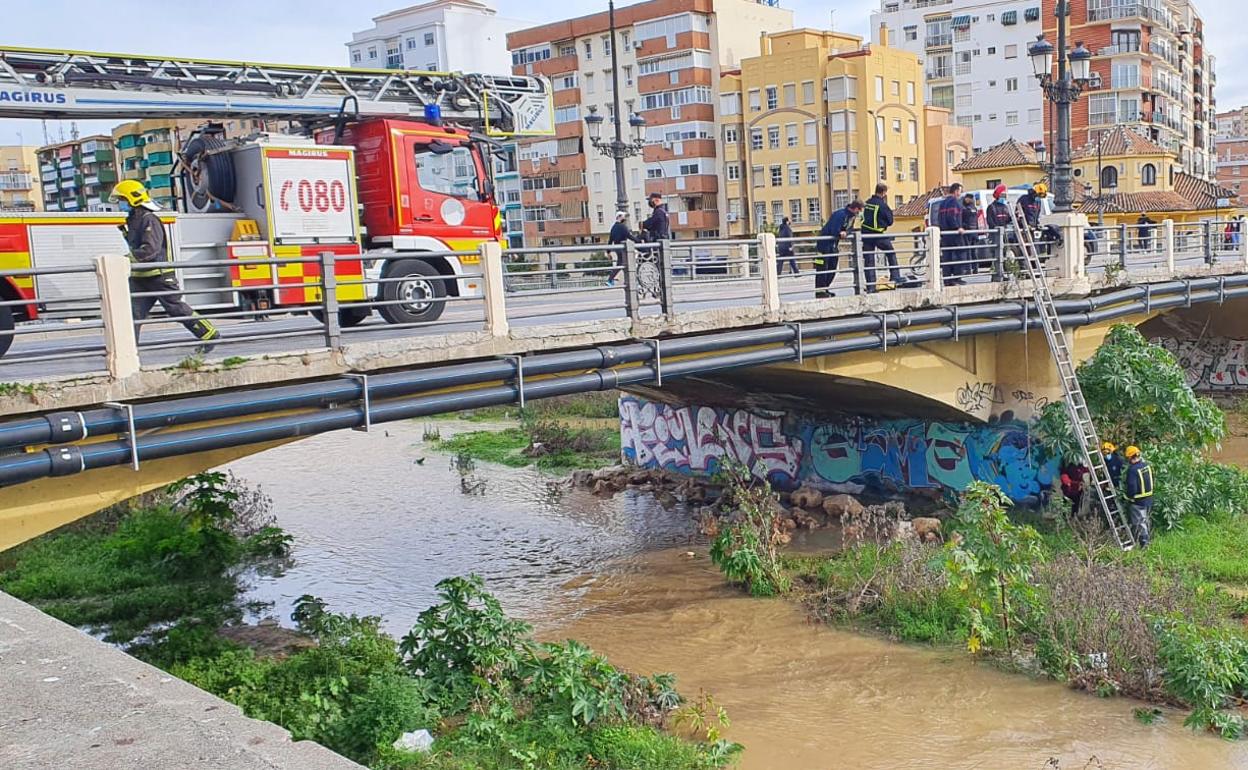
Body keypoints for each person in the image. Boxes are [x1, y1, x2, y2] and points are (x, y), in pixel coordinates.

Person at [113, 179, 219, 352]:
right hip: (140, 277)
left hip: (159, 276)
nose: (120, 204)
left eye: (122, 200)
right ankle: (128, 351)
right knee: (133, 314)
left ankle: (209, 334)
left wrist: (126, 258)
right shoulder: (133, 220)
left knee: (175, 308)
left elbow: (150, 249)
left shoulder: (149, 220)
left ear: (133, 199)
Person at [815, 199, 864, 298]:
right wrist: (839, 233)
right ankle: (820, 291)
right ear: (855, 208)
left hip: (833, 245)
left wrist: (846, 233)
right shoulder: (840, 214)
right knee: (822, 268)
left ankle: (825, 288)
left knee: (832, 267)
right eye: (859, 210)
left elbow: (850, 229)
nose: (859, 213)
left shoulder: (851, 217)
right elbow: (834, 229)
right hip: (823, 245)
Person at [861, 183, 901, 292]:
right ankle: (895, 277)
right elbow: (890, 220)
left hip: (866, 235)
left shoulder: (868, 203)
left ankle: (871, 286)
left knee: (869, 260)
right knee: (890, 252)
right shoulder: (882, 205)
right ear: (883, 192)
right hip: (878, 234)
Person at [1122, 445, 1154, 548]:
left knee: (1139, 522)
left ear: (1130, 457)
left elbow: (1132, 486)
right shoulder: (1146, 465)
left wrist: (1129, 497)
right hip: (1149, 498)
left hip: (1138, 500)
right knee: (1145, 520)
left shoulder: (1132, 470)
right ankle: (1147, 539)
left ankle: (1144, 543)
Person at [937, 183, 966, 285]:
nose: (960, 194)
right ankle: (957, 277)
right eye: (960, 191)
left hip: (945, 234)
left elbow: (940, 218)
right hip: (954, 233)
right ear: (956, 191)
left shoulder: (942, 203)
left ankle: (947, 279)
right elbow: (952, 216)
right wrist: (958, 228)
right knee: (960, 254)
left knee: (947, 257)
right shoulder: (954, 202)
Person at [606, 211, 637, 286]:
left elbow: (610, 240)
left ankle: (611, 280)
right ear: (619, 217)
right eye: (624, 217)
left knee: (621, 264)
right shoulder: (623, 227)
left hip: (617, 249)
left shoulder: (613, 227)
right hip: (623, 249)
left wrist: (608, 252)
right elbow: (630, 236)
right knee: (627, 264)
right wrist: (639, 241)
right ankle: (632, 281)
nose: (625, 218)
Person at [961, 192, 982, 275]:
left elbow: (963, 220)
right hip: (974, 232)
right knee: (974, 251)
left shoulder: (964, 209)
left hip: (968, 232)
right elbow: (976, 221)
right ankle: (975, 269)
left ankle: (968, 269)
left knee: (968, 251)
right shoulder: (974, 208)